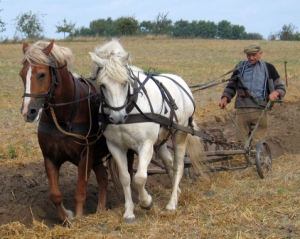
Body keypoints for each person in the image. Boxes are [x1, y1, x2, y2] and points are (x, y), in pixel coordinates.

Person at [219, 43, 286, 149]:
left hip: (261, 109)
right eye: (248, 55)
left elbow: (281, 87)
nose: (251, 58)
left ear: (260, 54)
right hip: (242, 109)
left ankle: (255, 159)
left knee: (257, 141)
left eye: (253, 55)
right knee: (240, 141)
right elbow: (231, 85)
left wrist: (275, 93)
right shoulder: (240, 67)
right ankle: (242, 160)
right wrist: (225, 98)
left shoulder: (269, 68)